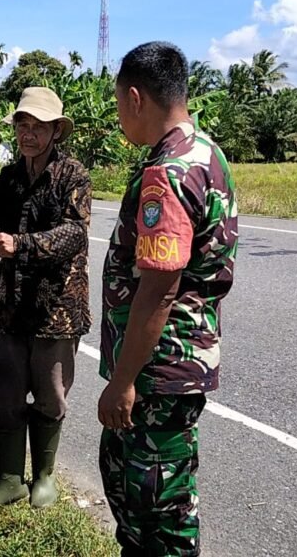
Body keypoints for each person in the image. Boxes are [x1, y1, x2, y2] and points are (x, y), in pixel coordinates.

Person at [97, 42, 238, 556]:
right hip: (177, 366)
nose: (119, 118)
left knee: (155, 512)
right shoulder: (207, 153)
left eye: (117, 106)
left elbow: (157, 291)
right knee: (158, 495)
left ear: (136, 98)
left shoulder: (168, 173)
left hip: (158, 372)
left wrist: (123, 381)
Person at [0, 87, 92, 515]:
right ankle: (9, 480)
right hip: (10, 306)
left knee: (51, 396)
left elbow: (75, 234)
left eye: (38, 127)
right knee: (7, 395)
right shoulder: (10, 176)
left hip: (57, 307)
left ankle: (45, 477)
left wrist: (22, 245)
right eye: (23, 125)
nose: (29, 134)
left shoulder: (74, 175)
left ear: (56, 132)